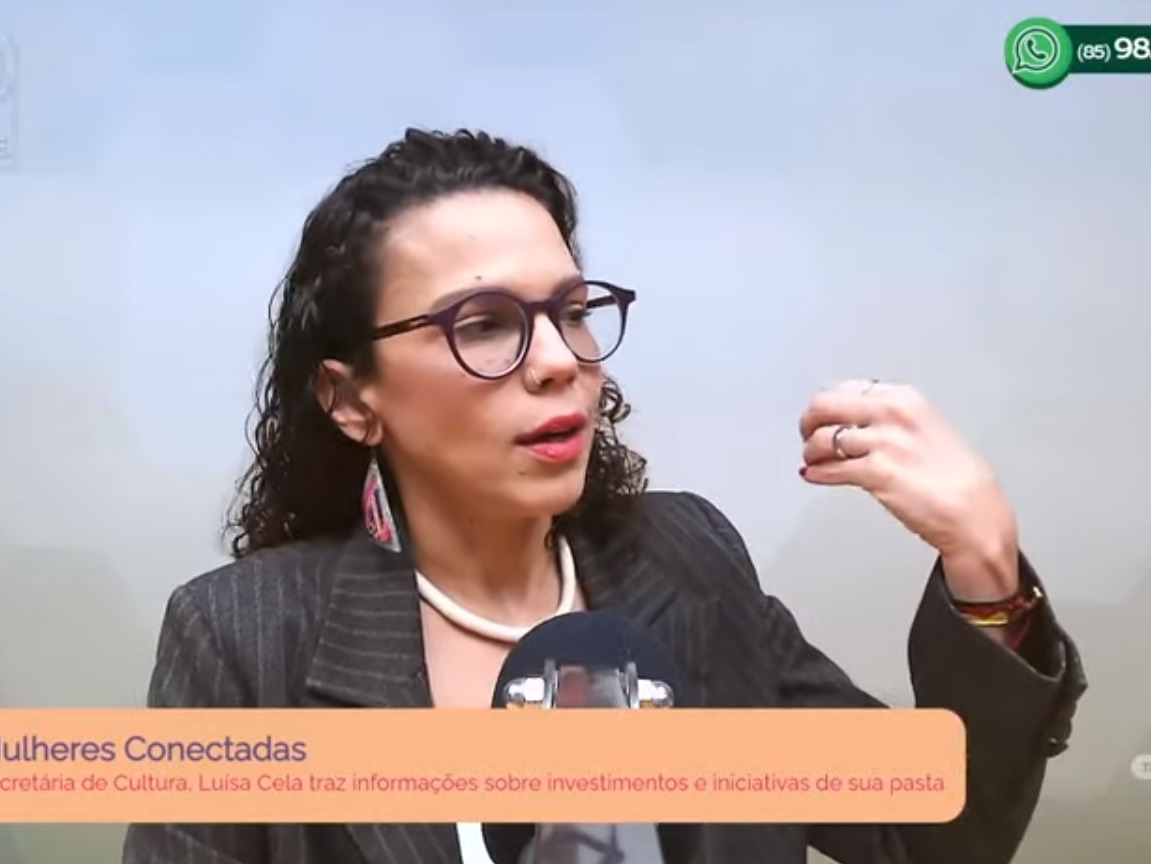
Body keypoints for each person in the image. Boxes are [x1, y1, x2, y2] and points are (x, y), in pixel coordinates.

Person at [121, 128, 1087, 864]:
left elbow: (938, 835)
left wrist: (984, 565)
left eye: (573, 311)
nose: (559, 361)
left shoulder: (690, 558)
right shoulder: (243, 640)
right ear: (350, 398)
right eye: (483, 324)